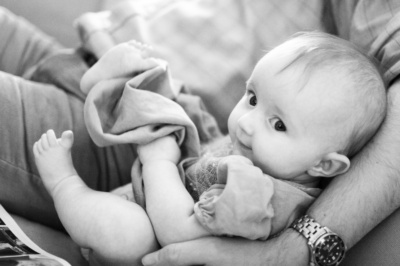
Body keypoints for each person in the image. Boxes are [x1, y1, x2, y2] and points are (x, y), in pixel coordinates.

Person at [1, 1, 400, 266]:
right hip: (148, 180)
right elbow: (204, 147)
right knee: (180, 110)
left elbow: (177, 231)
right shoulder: (258, 153)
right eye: (252, 97)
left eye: (278, 125)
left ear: (325, 164)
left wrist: (158, 162)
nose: (246, 121)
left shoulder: (265, 196)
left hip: (145, 223)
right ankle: (124, 80)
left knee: (130, 234)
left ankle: (65, 183)